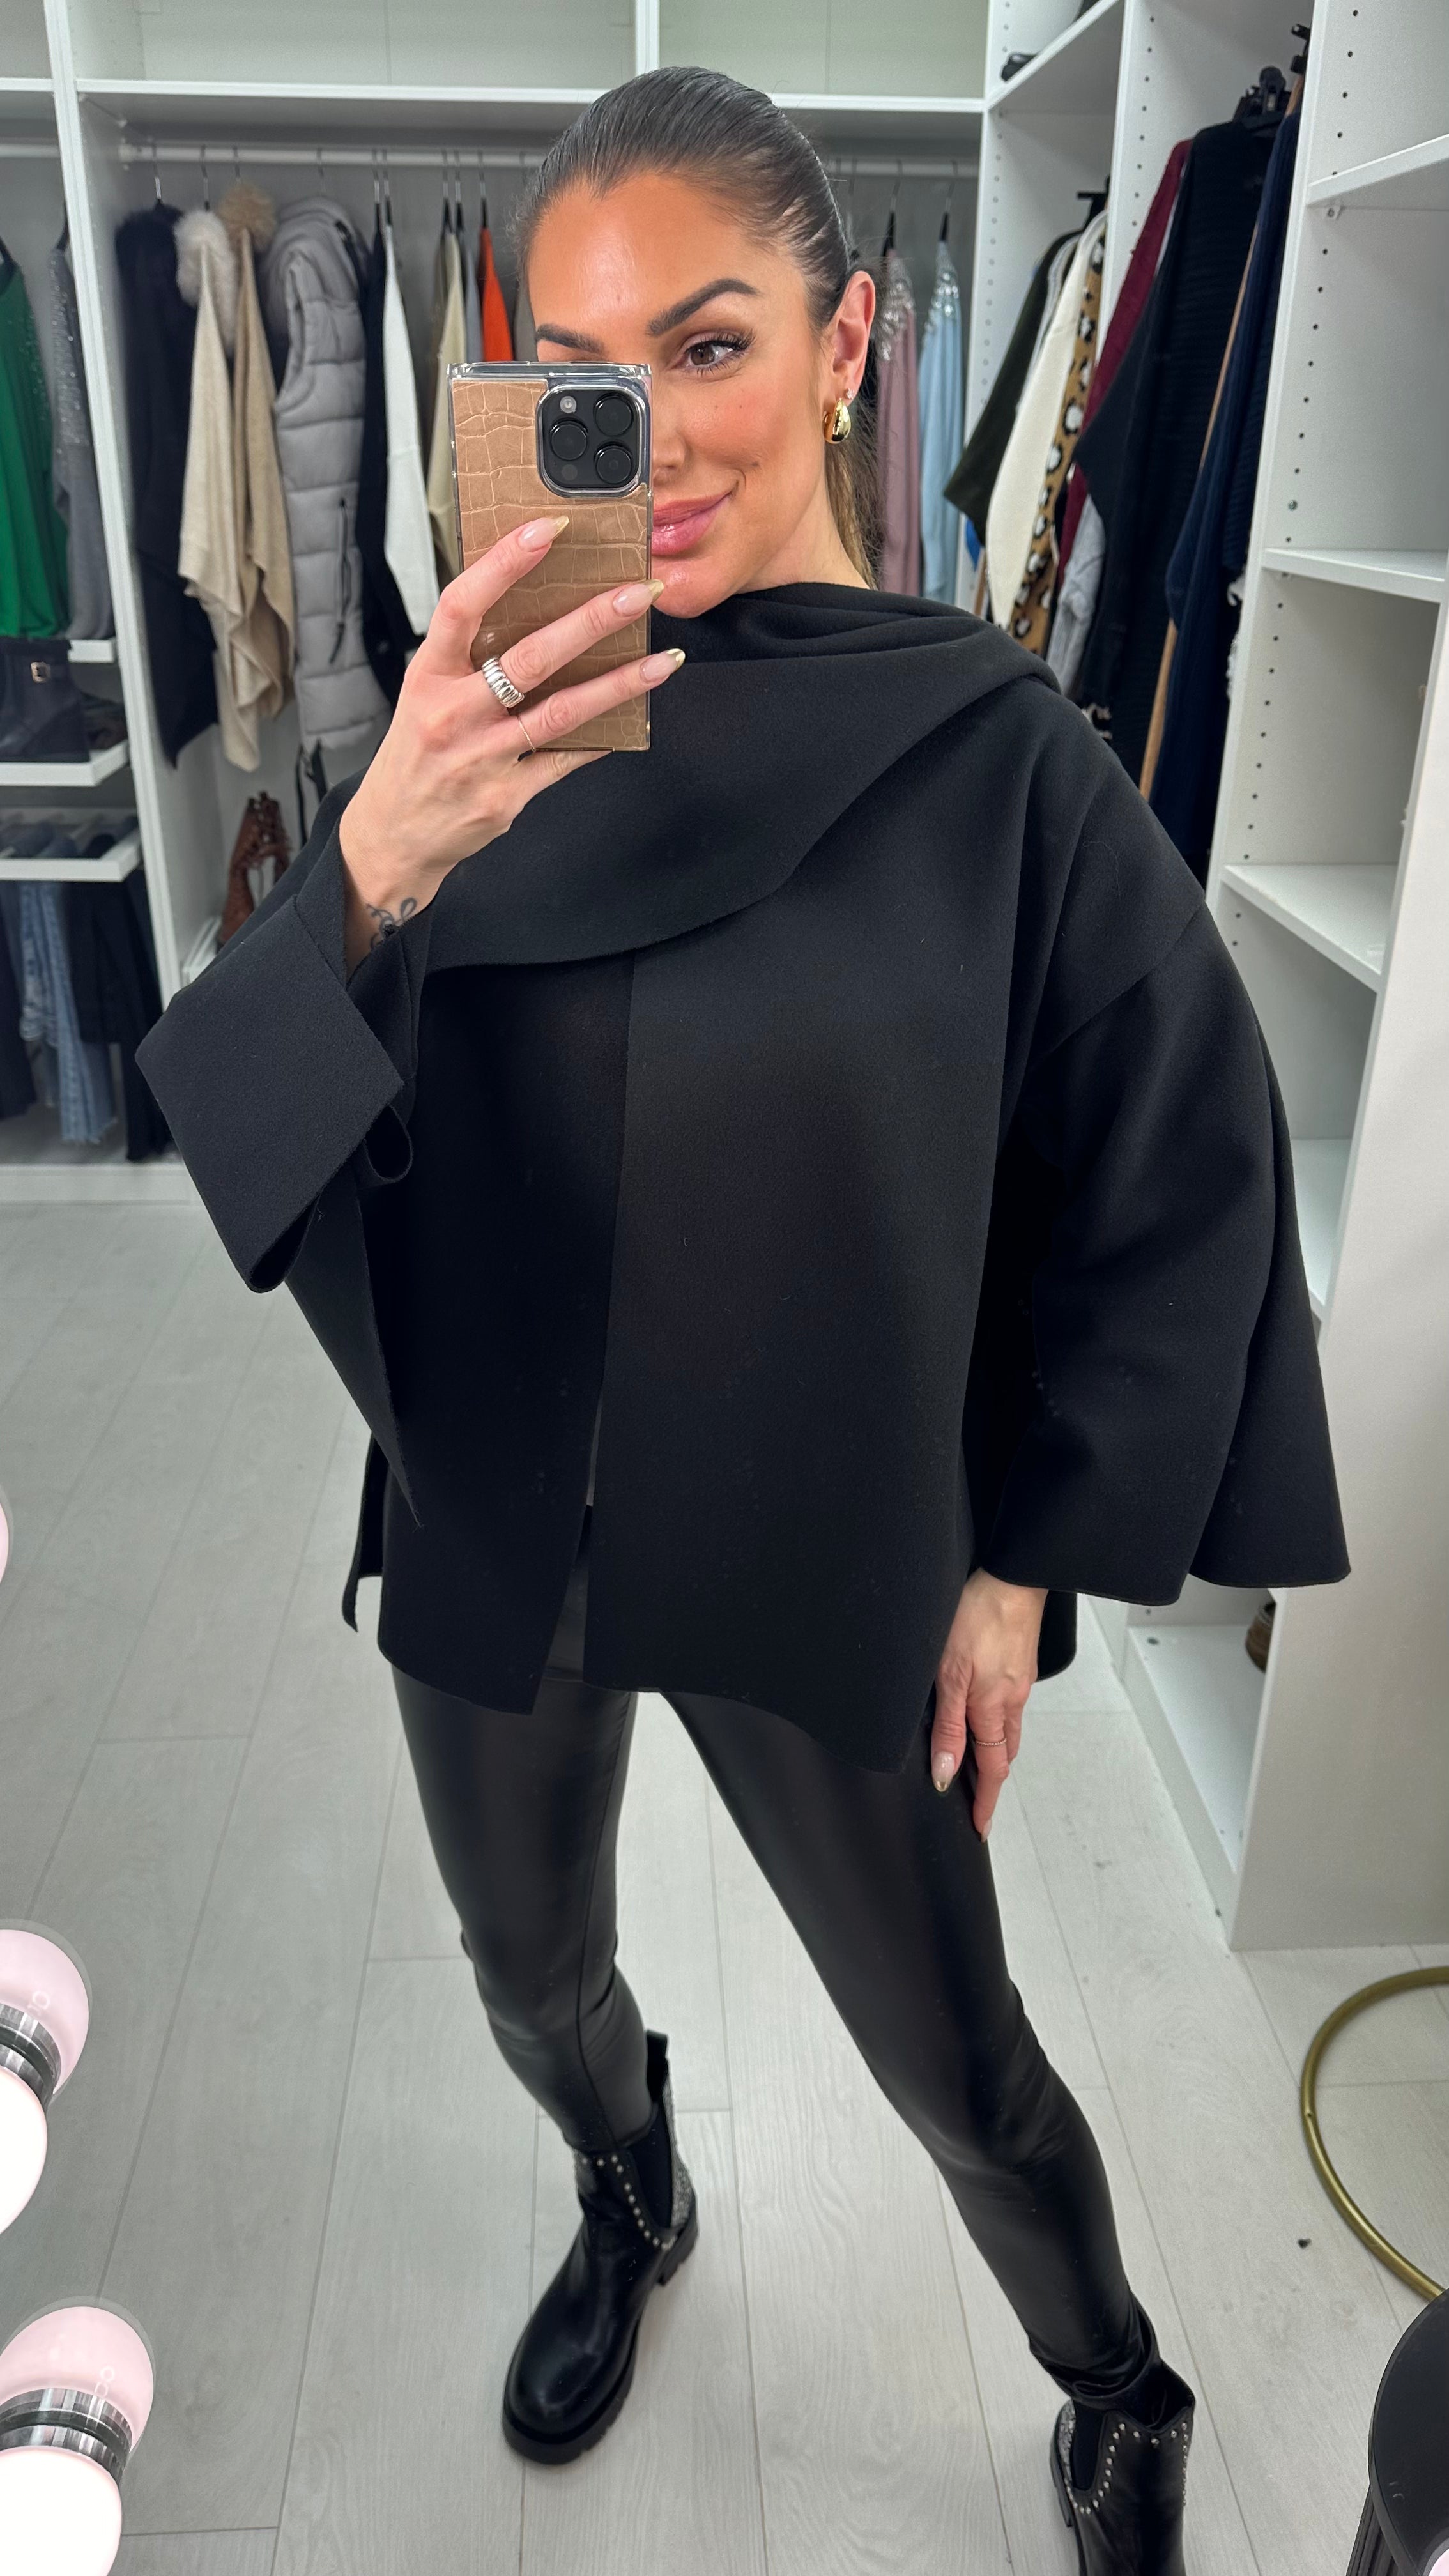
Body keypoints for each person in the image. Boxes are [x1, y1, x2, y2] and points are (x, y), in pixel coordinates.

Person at [135, 66, 1347, 2572]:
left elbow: (1178, 1157)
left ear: (844, 344)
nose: (655, 431)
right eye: (583, 372)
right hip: (504, 1525)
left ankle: (1120, 2384)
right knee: (527, 1983)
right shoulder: (476, 722)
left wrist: (1021, 1555)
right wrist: (372, 867)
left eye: (709, 343)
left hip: (827, 1538)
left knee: (960, 2067)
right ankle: (634, 2185)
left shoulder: (994, 762)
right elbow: (241, 1135)